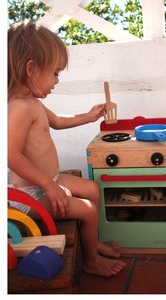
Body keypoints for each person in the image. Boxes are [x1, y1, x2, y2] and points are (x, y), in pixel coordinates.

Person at [8, 21, 126, 277]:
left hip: (48, 180)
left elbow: (59, 121)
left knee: (93, 189)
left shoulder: (31, 102)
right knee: (87, 208)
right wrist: (49, 187)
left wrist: (89, 115)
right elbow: (10, 155)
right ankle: (91, 261)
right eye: (55, 73)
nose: (57, 81)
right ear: (31, 69)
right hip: (31, 195)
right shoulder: (19, 108)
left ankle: (93, 242)